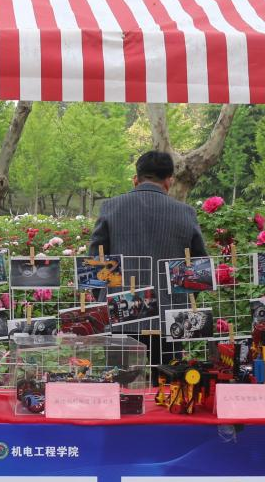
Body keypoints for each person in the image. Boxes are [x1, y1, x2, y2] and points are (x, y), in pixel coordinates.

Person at [89, 151, 207, 369]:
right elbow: (199, 269)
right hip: (170, 319)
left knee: (120, 382)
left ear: (136, 179)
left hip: (120, 313)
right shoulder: (186, 213)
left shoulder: (111, 208)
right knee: (168, 382)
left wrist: (106, 298)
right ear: (169, 181)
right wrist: (180, 299)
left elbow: (95, 261)